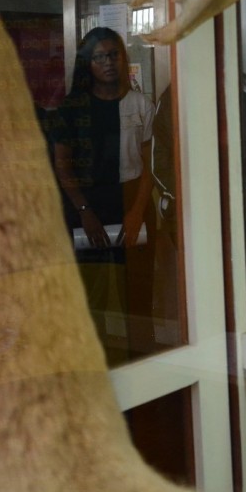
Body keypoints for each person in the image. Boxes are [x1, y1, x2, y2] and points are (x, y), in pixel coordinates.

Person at [52, 27, 158, 358]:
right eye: (99, 57)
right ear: (88, 64)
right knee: (91, 298)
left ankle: (143, 370)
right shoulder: (71, 109)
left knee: (138, 297)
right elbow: (63, 167)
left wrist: (137, 211)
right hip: (87, 208)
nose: (108, 63)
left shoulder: (141, 103)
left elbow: (150, 166)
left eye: (114, 55)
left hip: (132, 201)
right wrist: (86, 213)